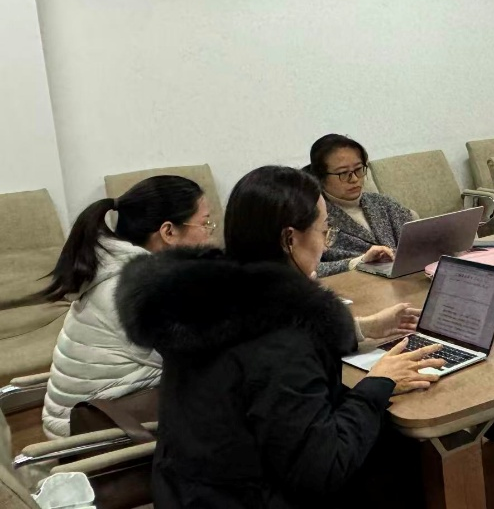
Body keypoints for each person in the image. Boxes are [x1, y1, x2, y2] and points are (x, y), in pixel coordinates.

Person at [117, 166, 445, 508]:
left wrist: (362, 330)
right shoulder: (280, 340)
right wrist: (377, 383)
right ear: (290, 239)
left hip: (186, 490)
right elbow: (325, 469)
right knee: (403, 449)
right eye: (324, 231)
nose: (325, 243)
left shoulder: (206, 301)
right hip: (248, 499)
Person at [39, 176, 212, 438]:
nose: (211, 234)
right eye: (205, 223)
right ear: (168, 232)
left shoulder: (117, 269)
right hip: (101, 442)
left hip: (82, 423)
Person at [306, 134, 416, 277]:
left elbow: (417, 241)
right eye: (343, 173)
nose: (354, 179)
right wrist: (358, 262)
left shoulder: (383, 203)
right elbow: (306, 268)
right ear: (321, 177)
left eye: (359, 169)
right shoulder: (314, 216)